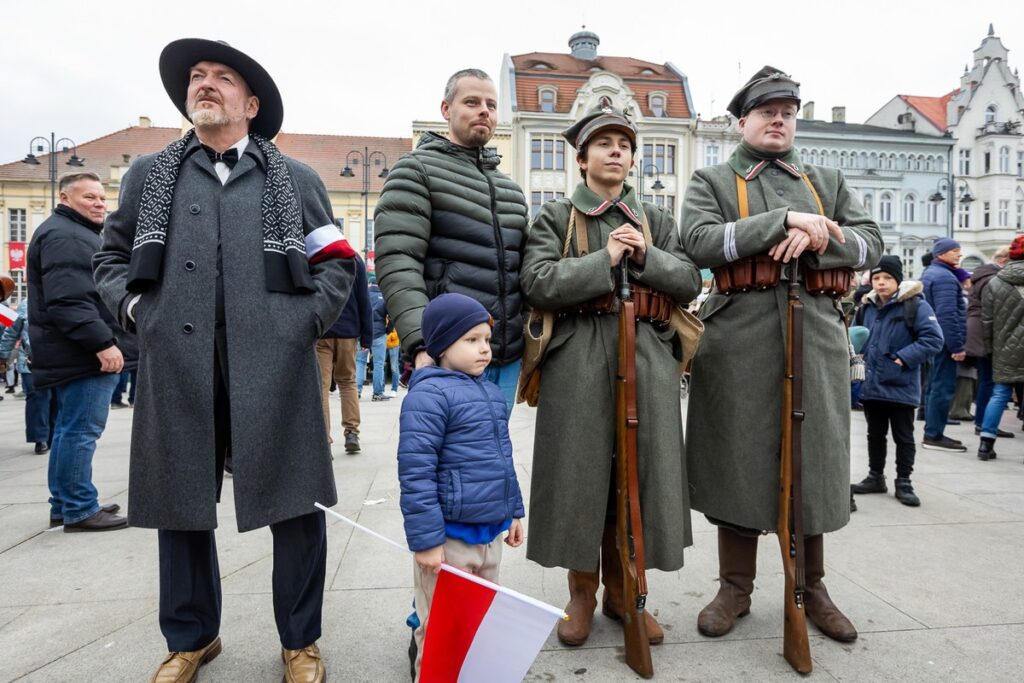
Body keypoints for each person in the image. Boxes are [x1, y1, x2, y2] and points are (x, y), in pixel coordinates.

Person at [93, 38, 354, 683]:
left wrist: (302, 324)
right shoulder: (149, 177)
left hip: (275, 365)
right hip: (177, 366)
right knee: (178, 505)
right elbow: (109, 260)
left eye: (222, 77)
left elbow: (339, 262)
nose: (205, 84)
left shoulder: (295, 180)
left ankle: (300, 641)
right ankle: (191, 638)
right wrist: (137, 315)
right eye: (197, 77)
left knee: (295, 509)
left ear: (251, 102)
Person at [681, 66, 882, 645]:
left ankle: (812, 587)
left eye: (787, 112)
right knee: (738, 461)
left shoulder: (825, 179)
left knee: (812, 463)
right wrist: (781, 222)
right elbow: (696, 241)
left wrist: (823, 235)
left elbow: (871, 243)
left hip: (815, 333)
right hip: (740, 336)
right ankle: (734, 587)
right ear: (742, 121)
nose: (778, 120)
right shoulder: (713, 179)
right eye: (766, 112)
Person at [521, 100, 701, 646]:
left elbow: (690, 279)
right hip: (578, 355)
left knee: (640, 476)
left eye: (624, 144)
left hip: (645, 353)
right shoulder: (556, 216)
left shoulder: (656, 219)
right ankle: (581, 593)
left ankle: (629, 593)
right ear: (582, 159)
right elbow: (538, 281)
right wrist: (606, 262)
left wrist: (646, 255)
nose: (616, 151)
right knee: (580, 475)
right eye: (604, 143)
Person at [374, 68, 529, 412]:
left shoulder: (512, 192)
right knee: (442, 459)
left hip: (503, 356)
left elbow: (524, 273)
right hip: (447, 355)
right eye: (471, 102)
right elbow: (397, 262)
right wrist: (421, 343)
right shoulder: (416, 170)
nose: (483, 110)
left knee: (490, 457)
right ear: (446, 109)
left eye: (491, 104)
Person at [398, 293, 525, 682]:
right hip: (450, 539)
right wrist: (426, 540)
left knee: (480, 620)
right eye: (471, 340)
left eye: (487, 339)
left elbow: (503, 458)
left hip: (489, 535)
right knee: (441, 630)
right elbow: (416, 471)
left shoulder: (487, 391)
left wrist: (514, 511)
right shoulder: (428, 395)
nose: (484, 349)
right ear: (440, 345)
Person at [27, 172, 132, 532]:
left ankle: (66, 501)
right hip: (81, 354)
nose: (99, 203)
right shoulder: (67, 235)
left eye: (102, 198)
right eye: (89, 197)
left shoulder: (67, 232)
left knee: (67, 430)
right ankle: (79, 507)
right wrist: (103, 344)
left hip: (68, 352)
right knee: (79, 431)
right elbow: (69, 300)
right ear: (65, 198)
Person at [851, 256, 943, 506]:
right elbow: (853, 338)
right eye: (877, 278)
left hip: (901, 384)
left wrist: (902, 359)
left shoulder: (915, 305)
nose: (881, 283)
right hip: (871, 384)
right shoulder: (865, 307)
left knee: (903, 436)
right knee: (874, 434)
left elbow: (933, 340)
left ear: (898, 280)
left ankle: (904, 481)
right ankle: (875, 476)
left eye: (887, 278)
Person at [317, 250, 372, 453]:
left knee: (321, 387)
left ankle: (324, 440)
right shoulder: (354, 258)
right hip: (348, 333)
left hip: (322, 331)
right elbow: (363, 299)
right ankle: (351, 433)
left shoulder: (316, 254)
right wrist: (367, 335)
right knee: (347, 382)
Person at [977, 236, 1024, 460]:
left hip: (1004, 346)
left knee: (1000, 393)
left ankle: (986, 443)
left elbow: (987, 321)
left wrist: (989, 348)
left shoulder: (995, 282)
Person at [920, 238, 968, 451]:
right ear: (941, 253)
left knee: (933, 386)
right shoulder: (945, 278)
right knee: (942, 387)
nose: (959, 254)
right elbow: (947, 315)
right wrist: (957, 346)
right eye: (955, 251)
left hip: (932, 339)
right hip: (944, 343)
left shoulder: (931, 273)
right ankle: (934, 434)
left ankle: (933, 430)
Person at [966, 246, 1012, 437]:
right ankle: (985, 423)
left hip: (980, 331)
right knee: (991, 381)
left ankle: (983, 422)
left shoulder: (983, 275)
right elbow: (994, 310)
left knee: (987, 379)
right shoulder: (992, 278)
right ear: (1004, 260)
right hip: (986, 332)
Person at [0, 298, 56, 454]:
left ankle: (54, 436)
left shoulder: (61, 299)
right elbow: (11, 332)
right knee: (37, 399)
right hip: (30, 361)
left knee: (57, 399)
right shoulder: (25, 304)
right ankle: (40, 438)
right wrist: (3, 357)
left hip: (57, 360)